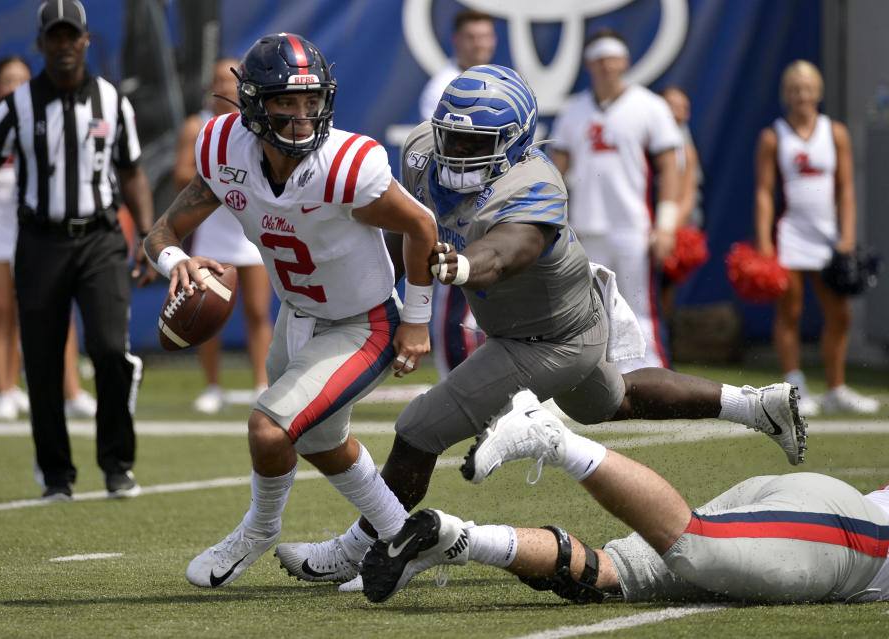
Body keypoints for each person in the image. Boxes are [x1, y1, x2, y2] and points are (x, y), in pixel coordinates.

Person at [273, 65, 806, 591]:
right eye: (451, 137)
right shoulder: (420, 152)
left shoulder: (535, 184)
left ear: (514, 141)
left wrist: (459, 265)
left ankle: (360, 549)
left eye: (472, 141)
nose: (455, 151)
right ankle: (754, 405)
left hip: (546, 338)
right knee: (608, 402)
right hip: (564, 318)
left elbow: (506, 253)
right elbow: (404, 225)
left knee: (419, 429)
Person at [143, 32, 438, 588]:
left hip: (363, 324)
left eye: (311, 102)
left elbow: (421, 225)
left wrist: (418, 320)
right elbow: (161, 232)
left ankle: (260, 527)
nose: (302, 117)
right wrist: (177, 262)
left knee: (269, 430)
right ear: (254, 104)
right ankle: (403, 541)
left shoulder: (347, 163)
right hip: (296, 314)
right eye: (286, 102)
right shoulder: (221, 148)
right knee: (322, 443)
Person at [359, 390, 888, 604]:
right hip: (858, 539)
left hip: (829, 519)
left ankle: (457, 540)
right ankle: (553, 438)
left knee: (609, 577)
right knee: (695, 543)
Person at [0, 0, 154, 501]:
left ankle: (117, 463)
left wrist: (150, 237)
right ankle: (56, 473)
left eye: (73, 37)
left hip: (101, 238)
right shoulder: (14, 105)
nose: (65, 46)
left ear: (86, 40)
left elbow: (132, 172)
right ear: (42, 43)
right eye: (56, 37)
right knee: (42, 360)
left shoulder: (112, 101)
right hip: (40, 241)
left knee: (111, 349)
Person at [0, 56, 96, 421]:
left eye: (20, 78)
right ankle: (4, 390)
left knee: (54, 305)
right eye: (7, 78)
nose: (13, 84)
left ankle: (72, 391)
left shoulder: (47, 114)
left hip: (36, 217)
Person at [548, 29, 682, 372]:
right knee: (589, 307)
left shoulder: (649, 106)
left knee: (639, 306)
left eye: (613, 59)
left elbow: (670, 167)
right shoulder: (574, 110)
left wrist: (666, 226)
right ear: (588, 64)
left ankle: (650, 375)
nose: (607, 66)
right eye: (599, 60)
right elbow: (556, 172)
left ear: (624, 61)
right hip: (586, 227)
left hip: (632, 226)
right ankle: (597, 376)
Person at [754, 60, 879, 416]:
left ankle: (836, 387)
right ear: (785, 95)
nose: (801, 95)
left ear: (819, 92)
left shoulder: (835, 132)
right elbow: (764, 192)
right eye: (794, 89)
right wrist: (765, 241)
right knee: (790, 310)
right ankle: (796, 386)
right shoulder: (773, 136)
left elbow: (846, 189)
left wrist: (848, 234)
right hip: (791, 234)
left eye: (807, 88)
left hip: (828, 237)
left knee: (840, 315)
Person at [173, 57, 273, 414]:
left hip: (251, 230)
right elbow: (181, 174)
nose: (225, 86)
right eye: (218, 79)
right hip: (212, 233)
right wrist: (220, 175)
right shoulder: (196, 126)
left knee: (258, 310)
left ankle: (262, 383)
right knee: (207, 310)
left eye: (232, 80)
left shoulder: (258, 124)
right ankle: (212, 387)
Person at [417, 8, 497, 378]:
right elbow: (449, 151)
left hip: (495, 200)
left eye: (485, 36)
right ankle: (455, 382)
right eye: (472, 37)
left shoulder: (500, 81)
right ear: (457, 41)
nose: (480, 43)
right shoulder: (444, 85)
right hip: (458, 203)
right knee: (456, 291)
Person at [658, 86, 704, 321]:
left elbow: (688, 197)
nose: (676, 112)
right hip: (643, 225)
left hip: (671, 230)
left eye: (682, 108)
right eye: (671, 105)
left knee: (663, 292)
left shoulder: (687, 151)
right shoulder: (645, 144)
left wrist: (668, 230)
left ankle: (659, 345)